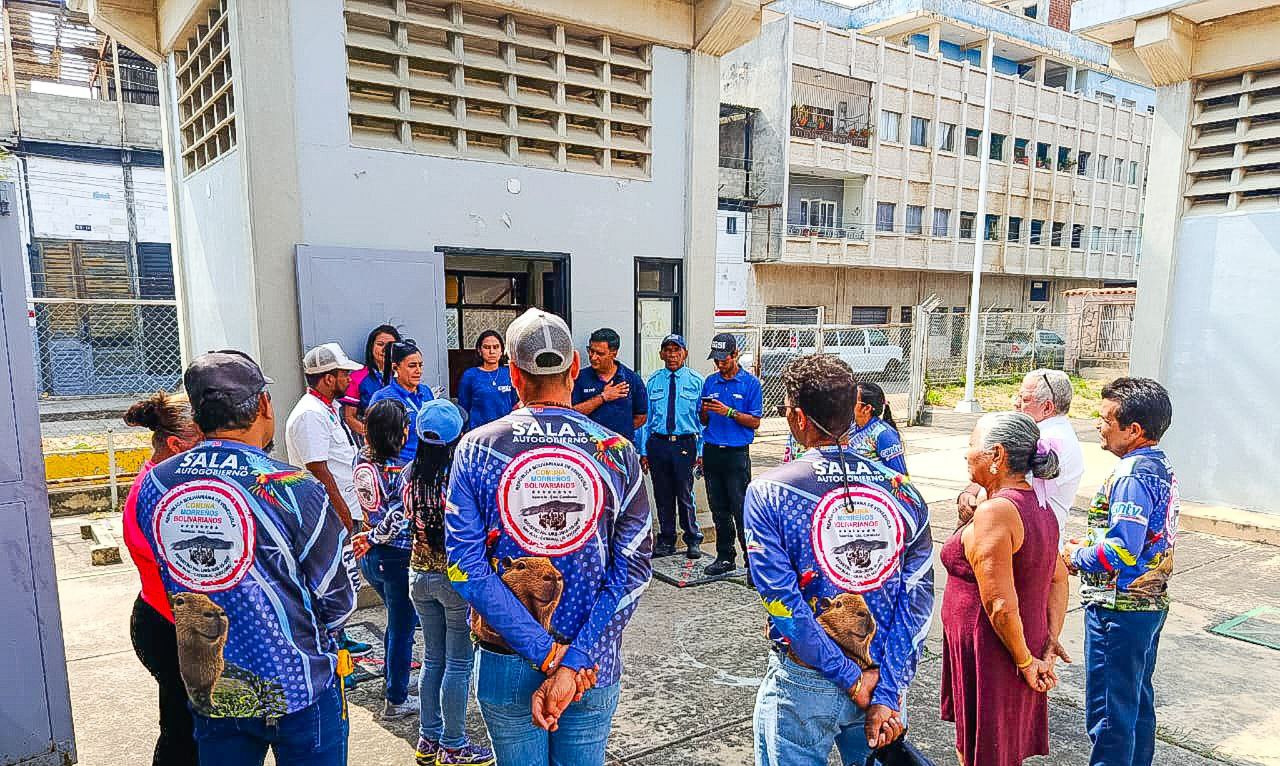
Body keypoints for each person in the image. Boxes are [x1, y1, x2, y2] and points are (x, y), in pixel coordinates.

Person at [445, 308, 653, 766]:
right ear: (575, 367)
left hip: (507, 656)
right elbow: (634, 571)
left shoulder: (477, 446)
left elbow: (465, 567)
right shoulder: (618, 452)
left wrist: (546, 654)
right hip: (592, 660)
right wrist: (572, 660)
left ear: (514, 375)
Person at [133, 350, 355, 765]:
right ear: (264, 406)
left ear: (197, 418)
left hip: (212, 687)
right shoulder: (290, 484)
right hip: (299, 683)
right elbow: (338, 595)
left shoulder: (156, 485)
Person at [745, 355, 933, 766]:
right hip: (883, 675)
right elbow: (917, 603)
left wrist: (853, 680)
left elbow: (781, 602)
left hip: (808, 681)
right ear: (854, 411)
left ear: (797, 418)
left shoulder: (768, 492)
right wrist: (887, 689)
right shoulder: (904, 493)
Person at [364, 399, 496, 766]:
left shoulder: (409, 474)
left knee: (432, 659)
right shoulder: (461, 475)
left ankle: (428, 739)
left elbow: (394, 519)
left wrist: (371, 537)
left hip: (417, 575)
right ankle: (453, 745)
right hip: (453, 580)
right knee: (458, 663)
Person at [940, 412, 1071, 766]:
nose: (966, 453)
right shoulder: (1038, 503)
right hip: (1015, 646)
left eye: (972, 444)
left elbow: (999, 604)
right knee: (997, 749)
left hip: (996, 650)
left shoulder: (998, 512)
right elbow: (1058, 577)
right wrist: (1048, 640)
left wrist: (1027, 660)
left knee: (986, 753)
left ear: (996, 455)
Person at [1061, 378, 1177, 766]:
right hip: (1146, 606)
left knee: (1110, 714)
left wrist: (1076, 557)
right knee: (1136, 705)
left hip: (1119, 608)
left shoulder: (1130, 475)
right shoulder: (1159, 466)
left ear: (1134, 430)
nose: (1099, 425)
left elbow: (1122, 548)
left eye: (1106, 418)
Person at [122, 391, 202, 766]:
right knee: (182, 735)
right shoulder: (153, 494)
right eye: (201, 443)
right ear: (175, 444)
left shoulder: (162, 485)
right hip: (166, 626)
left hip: (170, 621)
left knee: (185, 728)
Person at [351, 399, 420, 721]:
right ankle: (397, 698)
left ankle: (394, 682)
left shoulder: (360, 460)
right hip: (396, 556)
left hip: (373, 557)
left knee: (396, 622)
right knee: (402, 628)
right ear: (399, 432)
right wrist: (375, 536)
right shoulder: (398, 471)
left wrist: (370, 537)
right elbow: (399, 517)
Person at [959, 369, 1084, 545]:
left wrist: (976, 503)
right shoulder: (1049, 432)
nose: (1015, 404)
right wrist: (969, 491)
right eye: (1017, 396)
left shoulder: (1046, 441)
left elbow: (1005, 484)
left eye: (1024, 399)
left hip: (1025, 542)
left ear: (1047, 407)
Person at [636, 333, 704, 560]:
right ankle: (666, 540)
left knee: (685, 493)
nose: (672, 355)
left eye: (677, 350)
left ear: (684, 353)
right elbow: (646, 420)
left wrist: (701, 451)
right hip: (658, 444)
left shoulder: (696, 381)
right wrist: (643, 451)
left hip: (684, 443)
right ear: (661, 354)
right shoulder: (653, 381)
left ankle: (692, 538)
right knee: (662, 494)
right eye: (668, 350)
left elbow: (703, 420)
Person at [700, 332, 763, 578]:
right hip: (713, 450)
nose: (719, 363)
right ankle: (725, 556)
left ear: (735, 354)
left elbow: (755, 421)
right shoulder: (710, 382)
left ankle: (751, 562)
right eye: (716, 359)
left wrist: (728, 412)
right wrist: (705, 411)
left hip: (736, 453)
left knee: (740, 509)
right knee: (719, 509)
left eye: (724, 359)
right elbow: (702, 419)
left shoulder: (750, 384)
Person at [285, 342, 363, 532]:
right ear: (329, 379)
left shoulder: (328, 408)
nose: (350, 380)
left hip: (349, 508)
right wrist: (342, 510)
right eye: (345, 374)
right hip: (333, 513)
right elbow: (318, 468)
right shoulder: (310, 413)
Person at [572, 327, 648, 443]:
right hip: (588, 448)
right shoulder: (579, 378)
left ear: (614, 353)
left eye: (600, 353)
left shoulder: (631, 379)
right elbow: (571, 413)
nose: (593, 357)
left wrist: (618, 433)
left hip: (620, 448)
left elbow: (641, 417)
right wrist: (603, 397)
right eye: (591, 351)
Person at [369, 338, 435, 461]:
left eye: (420, 365)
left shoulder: (426, 392)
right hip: (398, 465)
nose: (418, 371)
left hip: (427, 463)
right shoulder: (382, 397)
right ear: (395, 367)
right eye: (412, 366)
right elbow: (373, 438)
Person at [341, 324, 400, 438]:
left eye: (390, 345)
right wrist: (373, 437)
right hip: (370, 441)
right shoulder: (357, 377)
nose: (384, 350)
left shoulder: (402, 376)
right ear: (371, 347)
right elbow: (349, 417)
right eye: (380, 344)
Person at [457, 330, 518, 430]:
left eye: (496, 347)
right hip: (478, 431)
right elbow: (463, 408)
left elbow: (515, 403)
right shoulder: (470, 375)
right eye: (487, 347)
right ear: (479, 350)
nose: (492, 351)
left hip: (505, 430)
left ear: (502, 350)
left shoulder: (510, 373)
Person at [850, 381, 907, 475]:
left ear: (866, 408)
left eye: (851, 400)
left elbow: (899, 475)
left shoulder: (884, 434)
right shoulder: (850, 427)